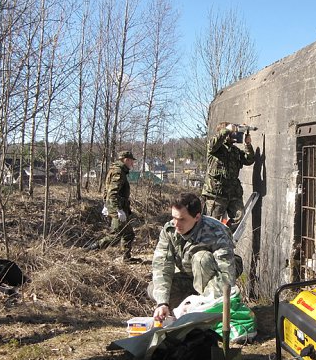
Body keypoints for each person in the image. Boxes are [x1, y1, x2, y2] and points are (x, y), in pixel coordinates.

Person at [147, 192, 237, 323]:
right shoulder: (169, 231)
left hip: (213, 279)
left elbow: (226, 274)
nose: (176, 224)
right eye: (174, 218)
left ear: (197, 217)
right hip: (187, 278)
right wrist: (162, 303)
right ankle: (184, 310)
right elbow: (162, 267)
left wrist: (205, 303)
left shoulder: (216, 231)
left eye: (182, 219)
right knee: (153, 288)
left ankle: (205, 312)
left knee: (201, 258)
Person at [85, 150, 140, 263]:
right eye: (131, 161)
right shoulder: (119, 172)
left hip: (118, 206)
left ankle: (126, 258)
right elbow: (112, 192)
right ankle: (89, 251)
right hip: (118, 207)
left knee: (128, 233)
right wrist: (117, 209)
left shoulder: (116, 170)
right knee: (115, 235)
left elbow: (107, 189)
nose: (132, 164)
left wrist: (106, 204)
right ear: (126, 159)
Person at [201, 122, 254, 231]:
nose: (234, 134)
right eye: (232, 132)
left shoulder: (235, 151)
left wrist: (247, 144)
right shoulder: (215, 149)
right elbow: (212, 144)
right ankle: (211, 245)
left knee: (239, 218)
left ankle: (224, 238)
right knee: (211, 224)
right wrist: (227, 130)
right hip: (216, 193)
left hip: (233, 193)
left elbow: (249, 160)